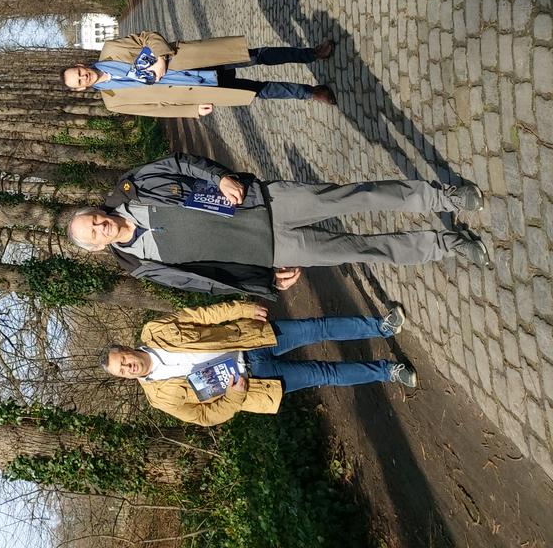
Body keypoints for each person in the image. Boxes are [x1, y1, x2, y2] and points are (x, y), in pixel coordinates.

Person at [66, 153, 490, 299]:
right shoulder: (140, 266)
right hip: (273, 253)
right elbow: (208, 282)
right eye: (95, 234)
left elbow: (179, 163)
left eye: (94, 220)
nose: (101, 226)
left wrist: (219, 178)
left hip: (268, 203)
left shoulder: (134, 187)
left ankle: (442, 197)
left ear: (94, 209)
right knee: (361, 248)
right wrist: (264, 282)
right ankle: (447, 244)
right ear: (97, 248)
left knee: (356, 196)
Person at [99, 301, 416, 426]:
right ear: (124, 378)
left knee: (316, 328)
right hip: (254, 383)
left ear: (126, 348)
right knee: (325, 373)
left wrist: (242, 309)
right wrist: (236, 395)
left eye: (123, 360)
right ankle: (388, 371)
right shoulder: (159, 398)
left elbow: (201, 317)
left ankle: (381, 326)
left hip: (249, 339)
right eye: (122, 371)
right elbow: (204, 416)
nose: (128, 367)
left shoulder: (154, 331)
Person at [62, 31, 336, 118]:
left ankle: (311, 54)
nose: (83, 77)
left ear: (80, 65)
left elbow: (148, 36)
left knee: (257, 56)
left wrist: (159, 58)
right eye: (78, 81)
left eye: (79, 72)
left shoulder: (111, 49)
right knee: (258, 91)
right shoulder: (113, 101)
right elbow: (157, 109)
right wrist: (193, 110)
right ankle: (311, 92)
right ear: (79, 90)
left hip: (196, 60)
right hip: (198, 89)